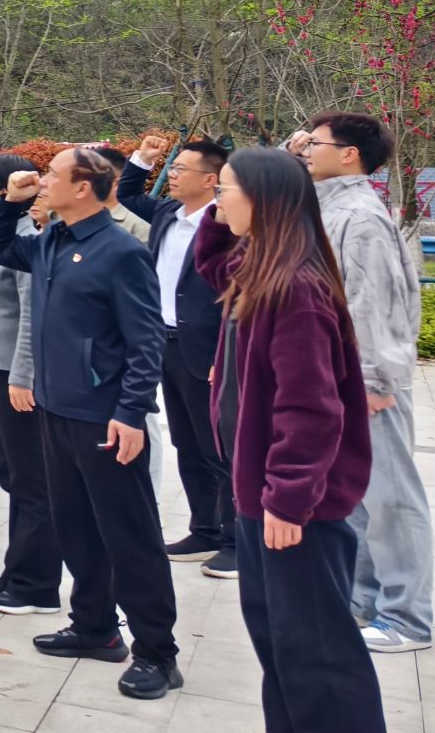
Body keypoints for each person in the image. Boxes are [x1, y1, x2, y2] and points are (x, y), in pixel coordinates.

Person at [196, 146, 385, 733]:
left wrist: (289, 495)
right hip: (260, 494)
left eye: (225, 190)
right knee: (280, 643)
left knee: (317, 654)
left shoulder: (296, 288)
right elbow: (212, 264)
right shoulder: (258, 269)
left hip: (295, 506)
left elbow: (311, 409)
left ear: (263, 200)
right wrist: (217, 214)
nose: (216, 200)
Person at [0, 147, 181, 701]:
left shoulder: (120, 251)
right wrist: (10, 202)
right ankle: (95, 627)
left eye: (53, 175)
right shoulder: (53, 239)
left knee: (129, 536)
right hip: (57, 409)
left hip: (103, 417)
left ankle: (157, 653)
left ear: (83, 188)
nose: (43, 180)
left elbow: (146, 340)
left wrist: (131, 411)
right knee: (75, 526)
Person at [302, 111, 432, 653]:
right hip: (334, 376)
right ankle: (362, 601)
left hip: (367, 379)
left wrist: (375, 381)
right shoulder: (325, 208)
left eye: (315, 143)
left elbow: (375, 304)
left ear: (349, 154)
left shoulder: (361, 217)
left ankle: (407, 618)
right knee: (352, 495)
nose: (305, 150)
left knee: (391, 496)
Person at [119, 135, 237, 579]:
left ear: (210, 180)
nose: (171, 174)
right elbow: (128, 195)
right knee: (186, 443)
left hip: (207, 348)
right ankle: (203, 528)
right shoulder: (169, 213)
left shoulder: (228, 223)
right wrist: (142, 159)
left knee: (219, 447)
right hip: (164, 342)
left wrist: (227, 353)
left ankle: (235, 540)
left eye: (180, 168)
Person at [0, 153, 63, 614]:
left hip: (11, 373)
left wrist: (23, 375)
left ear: (1, 191)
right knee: (11, 474)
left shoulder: (27, 240)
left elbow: (30, 316)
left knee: (30, 478)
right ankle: (17, 568)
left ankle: (36, 583)